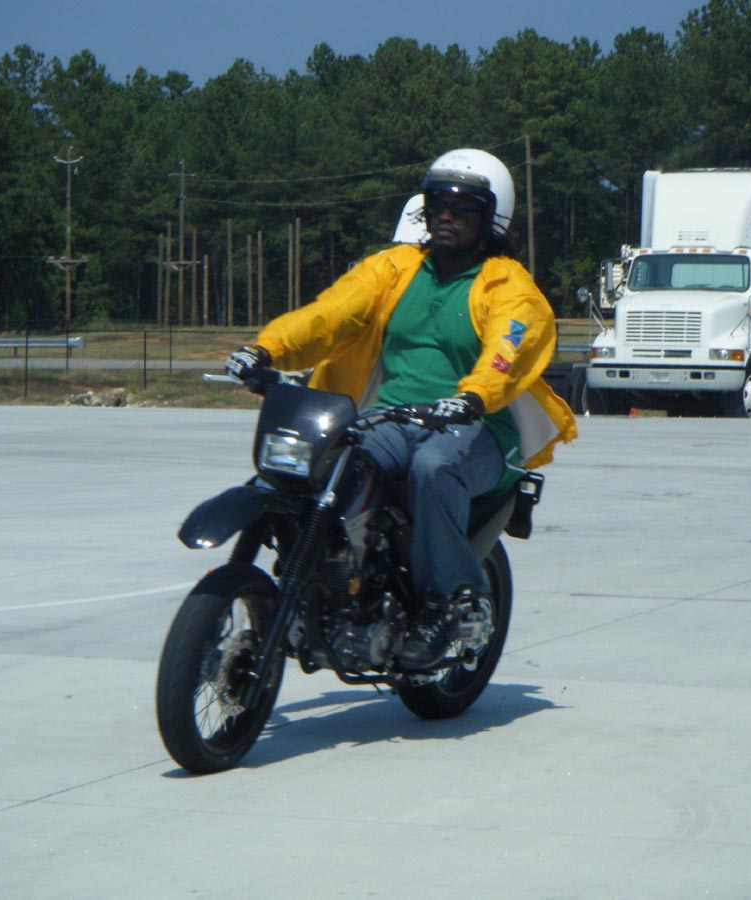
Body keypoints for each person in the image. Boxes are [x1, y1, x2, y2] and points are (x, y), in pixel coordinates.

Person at [226, 148, 576, 667]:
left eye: (463, 207)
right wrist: (266, 349)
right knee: (332, 459)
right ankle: (343, 576)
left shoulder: (507, 285)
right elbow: (331, 315)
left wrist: (473, 396)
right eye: (437, 204)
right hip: (393, 416)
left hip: (477, 425)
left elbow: (509, 348)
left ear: (493, 217)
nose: (446, 216)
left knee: (434, 467)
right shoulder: (394, 269)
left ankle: (449, 602)